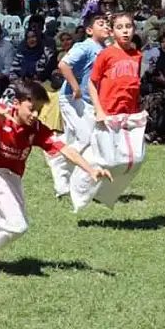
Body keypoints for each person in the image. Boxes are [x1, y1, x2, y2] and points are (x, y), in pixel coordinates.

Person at [0, 81, 110, 277]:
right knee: (17, 226)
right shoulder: (1, 112)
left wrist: (91, 170)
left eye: (38, 110)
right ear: (17, 103)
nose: (35, 115)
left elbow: (65, 149)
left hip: (13, 179)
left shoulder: (36, 129)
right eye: (31, 108)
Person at [70, 11, 144, 212]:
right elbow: (93, 84)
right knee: (106, 158)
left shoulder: (137, 55)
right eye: (120, 27)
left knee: (133, 159)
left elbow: (134, 85)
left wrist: (138, 110)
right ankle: (79, 188)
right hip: (108, 113)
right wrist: (99, 110)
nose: (125, 31)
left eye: (128, 26)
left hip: (128, 115)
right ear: (112, 31)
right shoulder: (106, 54)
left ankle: (104, 194)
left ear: (134, 29)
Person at [48, 12, 109, 197]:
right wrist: (75, 88)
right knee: (85, 138)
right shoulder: (85, 47)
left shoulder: (105, 49)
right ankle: (61, 165)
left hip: (88, 100)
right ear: (90, 30)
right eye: (101, 24)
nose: (106, 27)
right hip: (72, 98)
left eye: (107, 24)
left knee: (74, 139)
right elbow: (63, 64)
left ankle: (59, 163)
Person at [142, 32, 165, 144]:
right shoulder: (158, 58)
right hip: (156, 88)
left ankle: (157, 133)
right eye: (162, 42)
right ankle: (149, 130)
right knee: (148, 98)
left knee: (158, 100)